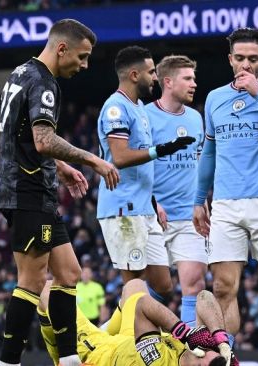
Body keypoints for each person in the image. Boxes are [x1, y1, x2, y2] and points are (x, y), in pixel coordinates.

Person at [0, 19, 120, 366]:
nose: (84, 65)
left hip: (33, 186)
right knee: (32, 281)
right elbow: (43, 140)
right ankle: (8, 362)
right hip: (27, 190)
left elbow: (18, 134)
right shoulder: (44, 82)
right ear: (61, 48)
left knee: (68, 274)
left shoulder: (20, 73)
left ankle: (69, 359)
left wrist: (60, 167)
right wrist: (92, 159)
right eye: (82, 57)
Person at [193, 28, 258, 365]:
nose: (246, 64)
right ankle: (228, 357)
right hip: (225, 204)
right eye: (240, 58)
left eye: (253, 59)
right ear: (230, 59)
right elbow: (209, 153)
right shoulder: (214, 99)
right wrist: (199, 199)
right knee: (223, 288)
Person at [96, 46, 195, 304]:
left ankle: (113, 330)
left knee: (163, 286)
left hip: (144, 206)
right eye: (151, 72)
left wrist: (152, 201)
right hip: (123, 208)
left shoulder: (139, 106)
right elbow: (119, 157)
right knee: (135, 284)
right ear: (134, 74)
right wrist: (160, 150)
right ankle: (128, 339)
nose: (155, 77)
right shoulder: (115, 108)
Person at [38, 278, 236, 366]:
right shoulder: (205, 352)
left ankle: (64, 355)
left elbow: (143, 305)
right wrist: (221, 340)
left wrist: (185, 332)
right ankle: (105, 329)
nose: (212, 349)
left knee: (49, 289)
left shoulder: (157, 361)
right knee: (135, 285)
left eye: (213, 357)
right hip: (132, 339)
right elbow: (204, 298)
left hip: (98, 353)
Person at [146, 55, 206, 326]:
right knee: (154, 290)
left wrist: (203, 199)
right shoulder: (145, 116)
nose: (194, 83)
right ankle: (126, 342)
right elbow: (133, 166)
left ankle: (190, 349)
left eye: (194, 77)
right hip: (153, 217)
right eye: (188, 78)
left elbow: (200, 161)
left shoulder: (195, 118)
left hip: (187, 217)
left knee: (194, 284)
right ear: (167, 82)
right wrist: (151, 201)